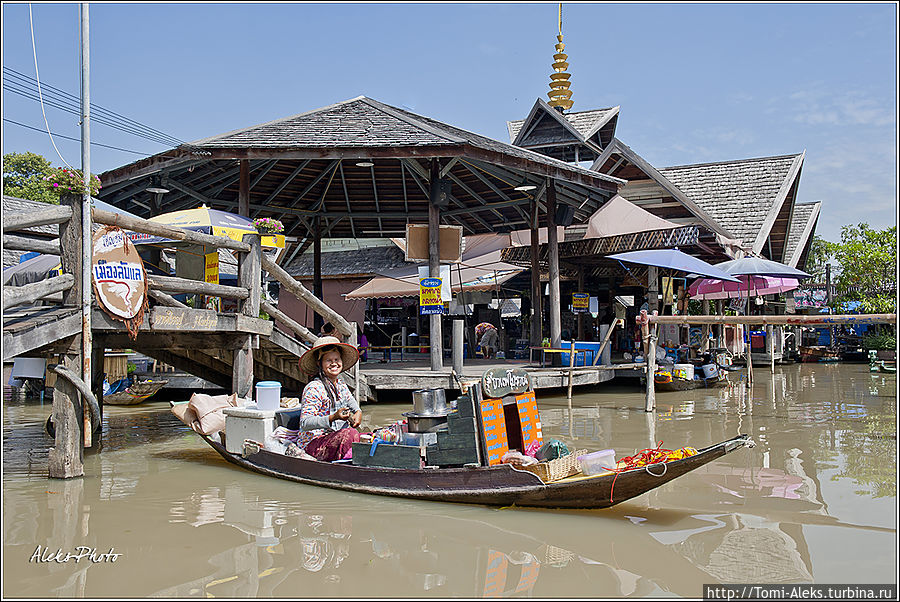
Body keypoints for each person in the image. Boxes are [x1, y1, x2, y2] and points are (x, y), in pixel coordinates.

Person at [297, 335, 362, 461]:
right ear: (319, 364)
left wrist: (358, 413)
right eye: (328, 360)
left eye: (337, 359)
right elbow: (305, 423)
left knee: (369, 437)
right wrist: (333, 417)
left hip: (335, 437)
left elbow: (354, 406)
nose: (334, 363)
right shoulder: (314, 388)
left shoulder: (341, 385)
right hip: (314, 443)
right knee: (351, 434)